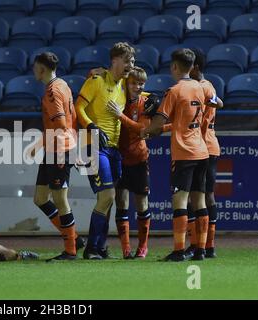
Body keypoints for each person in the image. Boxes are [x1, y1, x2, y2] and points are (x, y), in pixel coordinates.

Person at [142, 48, 220, 261]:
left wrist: (144, 130)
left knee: (180, 200)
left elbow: (157, 125)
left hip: (184, 152)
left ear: (175, 66)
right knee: (200, 200)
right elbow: (217, 102)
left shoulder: (173, 91)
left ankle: (178, 251)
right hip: (202, 151)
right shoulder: (201, 87)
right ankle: (202, 250)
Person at [75, 42, 135, 260]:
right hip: (92, 144)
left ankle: (100, 246)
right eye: (127, 61)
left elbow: (141, 84)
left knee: (108, 198)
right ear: (115, 61)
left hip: (113, 149)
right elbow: (78, 107)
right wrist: (91, 126)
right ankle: (91, 247)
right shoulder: (96, 81)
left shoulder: (123, 85)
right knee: (108, 195)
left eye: (133, 61)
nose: (131, 65)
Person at [106, 66, 168, 259]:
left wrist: (120, 116)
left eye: (141, 83)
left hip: (140, 158)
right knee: (121, 203)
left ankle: (143, 247)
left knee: (142, 204)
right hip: (119, 158)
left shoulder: (146, 103)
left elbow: (142, 130)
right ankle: (126, 248)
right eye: (134, 83)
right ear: (127, 82)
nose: (138, 87)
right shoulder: (119, 99)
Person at [31, 52, 84, 260]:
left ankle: (70, 250)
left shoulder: (52, 91)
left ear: (42, 69)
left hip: (60, 150)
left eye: (35, 67)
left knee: (60, 200)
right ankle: (74, 239)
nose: (34, 71)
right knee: (40, 198)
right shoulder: (62, 83)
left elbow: (61, 124)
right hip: (55, 149)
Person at [185, 48, 223, 259]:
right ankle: (208, 245)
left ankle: (198, 245)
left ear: (195, 67)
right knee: (207, 195)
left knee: (195, 196)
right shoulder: (208, 86)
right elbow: (220, 103)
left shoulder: (198, 87)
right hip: (210, 145)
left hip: (201, 147)